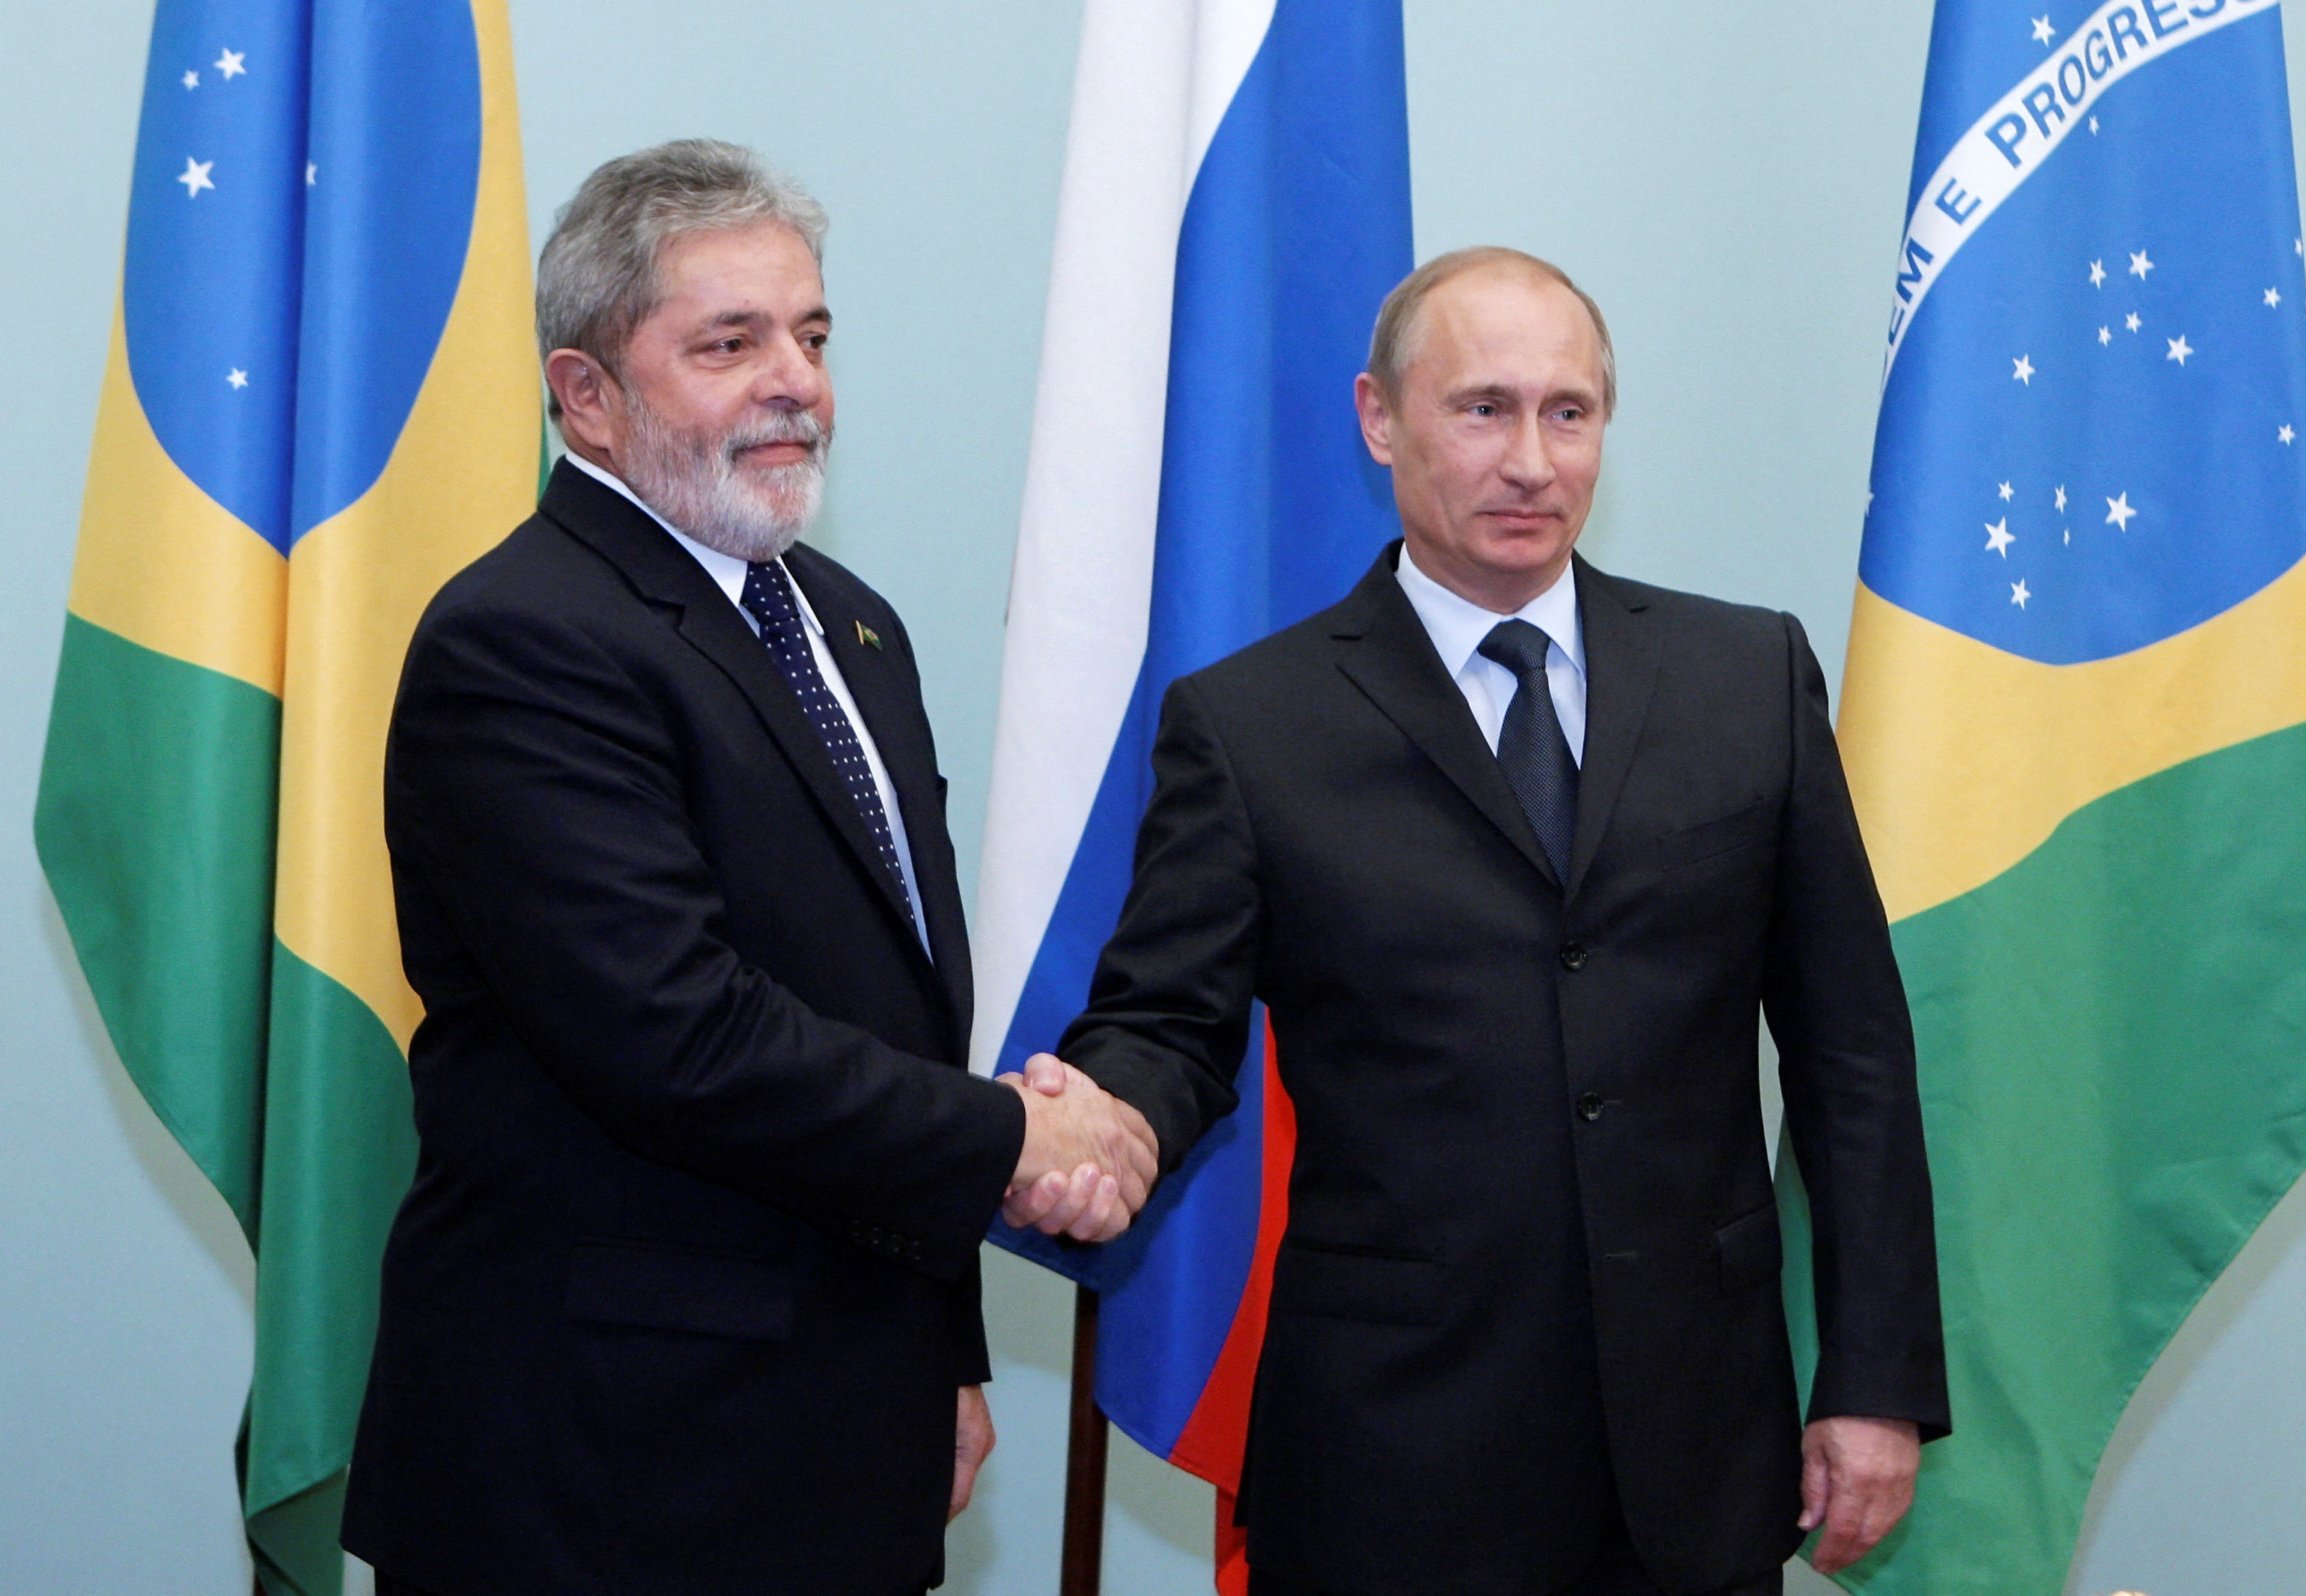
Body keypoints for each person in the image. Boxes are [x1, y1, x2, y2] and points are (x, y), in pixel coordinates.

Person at [1027, 248, 1950, 1596]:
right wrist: (1101, 1119)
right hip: (1393, 1463)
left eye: (1566, 413)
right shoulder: (1252, 725)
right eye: (1482, 409)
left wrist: (1873, 1380)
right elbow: (1170, 1025)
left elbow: (1851, 1058)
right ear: (1379, 418)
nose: (1531, 459)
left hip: (1697, 1458)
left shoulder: (1747, 677)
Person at [341, 140, 1154, 1596]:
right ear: (584, 394)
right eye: (731, 342)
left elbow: (888, 1011)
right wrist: (1013, 1144)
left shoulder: (849, 627)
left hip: (840, 1433)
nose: (797, 379)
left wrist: (941, 1349)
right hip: (601, 1473)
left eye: (812, 334)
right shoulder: (522, 640)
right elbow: (680, 1034)